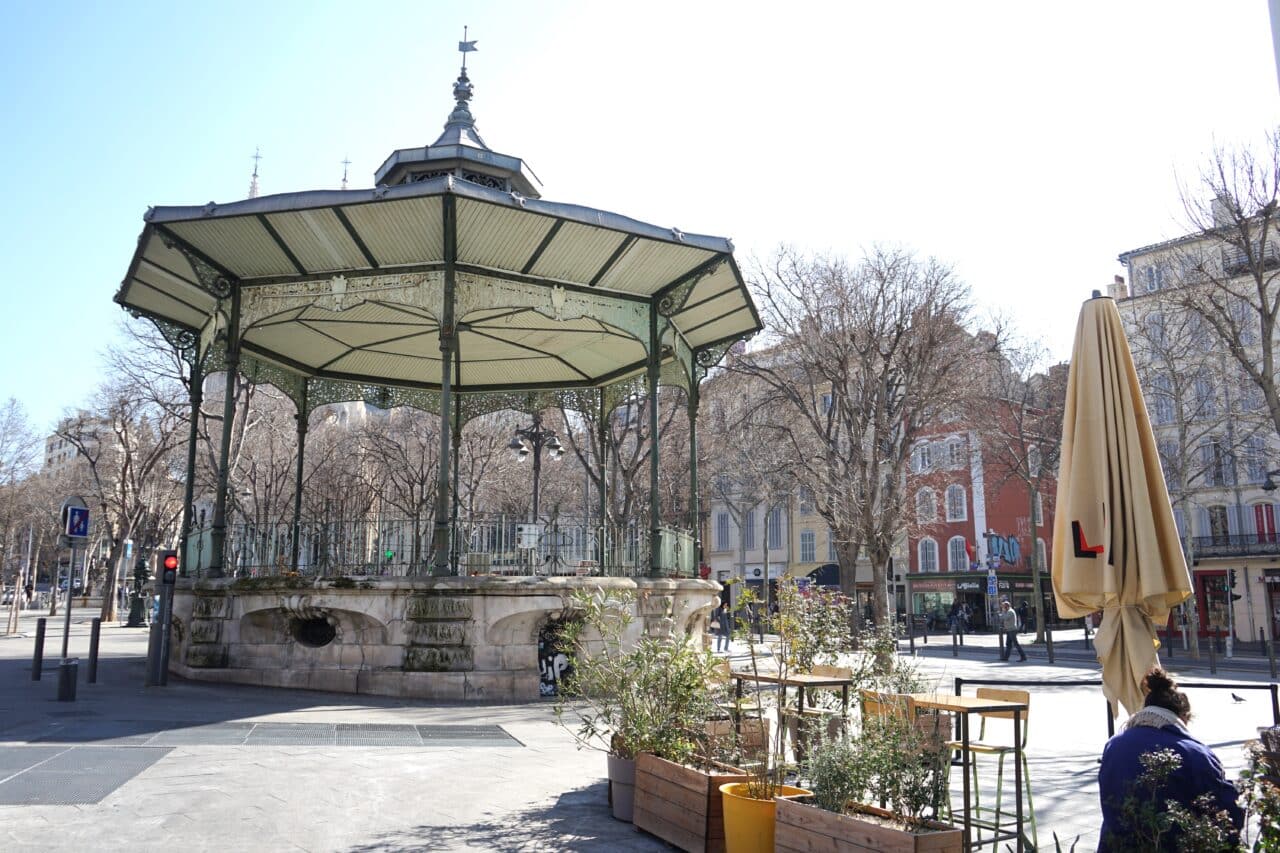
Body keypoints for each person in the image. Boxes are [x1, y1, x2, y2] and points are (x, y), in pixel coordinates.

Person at [1098, 668, 1243, 850]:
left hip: (1116, 846)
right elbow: (1226, 814)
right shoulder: (1194, 753)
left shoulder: (1114, 745)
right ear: (1182, 717)